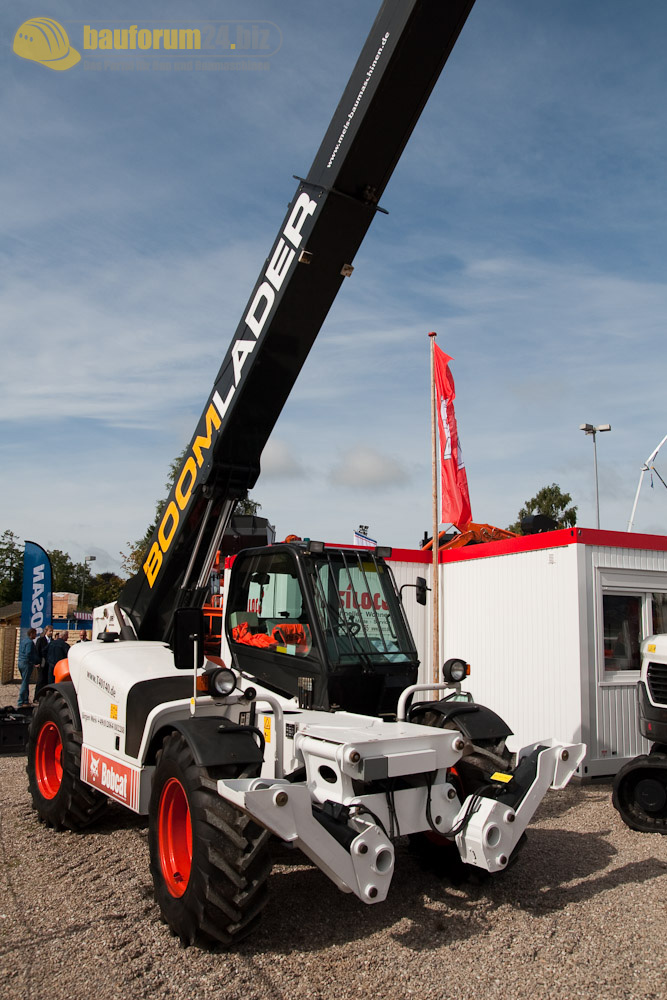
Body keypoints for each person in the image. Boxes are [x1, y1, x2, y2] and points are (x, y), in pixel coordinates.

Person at [18, 628, 40, 708]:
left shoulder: (23, 641)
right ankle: (20, 701)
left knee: (25, 681)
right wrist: (34, 663)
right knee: (24, 682)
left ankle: (25, 700)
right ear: (31, 634)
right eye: (35, 634)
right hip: (26, 664)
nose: (36, 635)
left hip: (20, 662)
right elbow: (28, 654)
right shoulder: (30, 642)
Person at [35, 624, 53, 699]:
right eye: (50, 631)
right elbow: (37, 651)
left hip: (49, 663)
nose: (51, 632)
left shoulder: (52, 641)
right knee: (40, 679)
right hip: (42, 662)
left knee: (47, 679)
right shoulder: (41, 640)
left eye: (52, 631)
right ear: (46, 631)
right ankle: (37, 697)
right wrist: (37, 662)